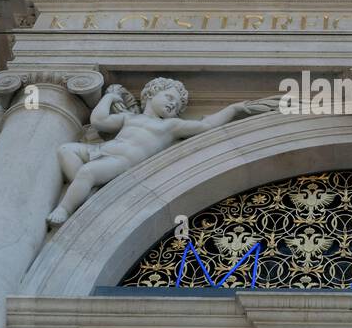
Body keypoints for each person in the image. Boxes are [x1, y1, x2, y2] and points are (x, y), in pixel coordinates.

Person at [46, 77, 278, 227]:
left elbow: (206, 125)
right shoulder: (129, 117)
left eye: (177, 105)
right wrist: (108, 96)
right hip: (100, 150)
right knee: (66, 149)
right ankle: (88, 196)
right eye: (169, 97)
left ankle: (65, 208)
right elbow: (99, 120)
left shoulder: (170, 126)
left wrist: (233, 108)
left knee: (88, 172)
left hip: (122, 162)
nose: (172, 105)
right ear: (150, 95)